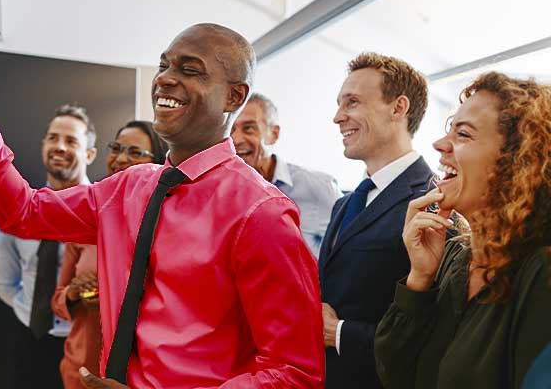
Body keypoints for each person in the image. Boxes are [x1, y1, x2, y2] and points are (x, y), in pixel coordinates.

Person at [0, 23, 324, 388]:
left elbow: (294, 372)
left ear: (234, 97)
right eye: (164, 65)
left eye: (190, 70)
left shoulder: (262, 213)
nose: (165, 79)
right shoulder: (130, 188)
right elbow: (23, 212)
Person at [374, 72, 551, 389]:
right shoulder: (455, 257)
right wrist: (419, 278)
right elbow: (396, 374)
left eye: (464, 135)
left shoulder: (541, 274)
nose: (439, 144)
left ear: (518, 161)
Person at [319, 52, 433, 389]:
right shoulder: (345, 203)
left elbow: (432, 327)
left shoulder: (431, 201)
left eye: (352, 102)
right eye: (340, 104)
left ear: (398, 108)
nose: (338, 117)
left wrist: (339, 333)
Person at [52, 120, 167, 389]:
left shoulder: (168, 226)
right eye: (116, 148)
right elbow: (56, 301)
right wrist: (72, 293)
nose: (121, 158)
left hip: (141, 376)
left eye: (136, 153)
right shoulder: (87, 219)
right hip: (81, 368)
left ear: (158, 164)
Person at [0, 104, 97, 389]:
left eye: (71, 141)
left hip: (85, 344)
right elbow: (5, 283)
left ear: (90, 154)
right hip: (29, 338)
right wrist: (32, 310)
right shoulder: (21, 209)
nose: (59, 146)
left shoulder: (103, 211)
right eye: (53, 138)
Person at [231, 93, 342, 256]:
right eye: (231, 130)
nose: (235, 139)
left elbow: (350, 254)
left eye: (248, 128)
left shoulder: (319, 187)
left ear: (274, 134)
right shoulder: (221, 194)